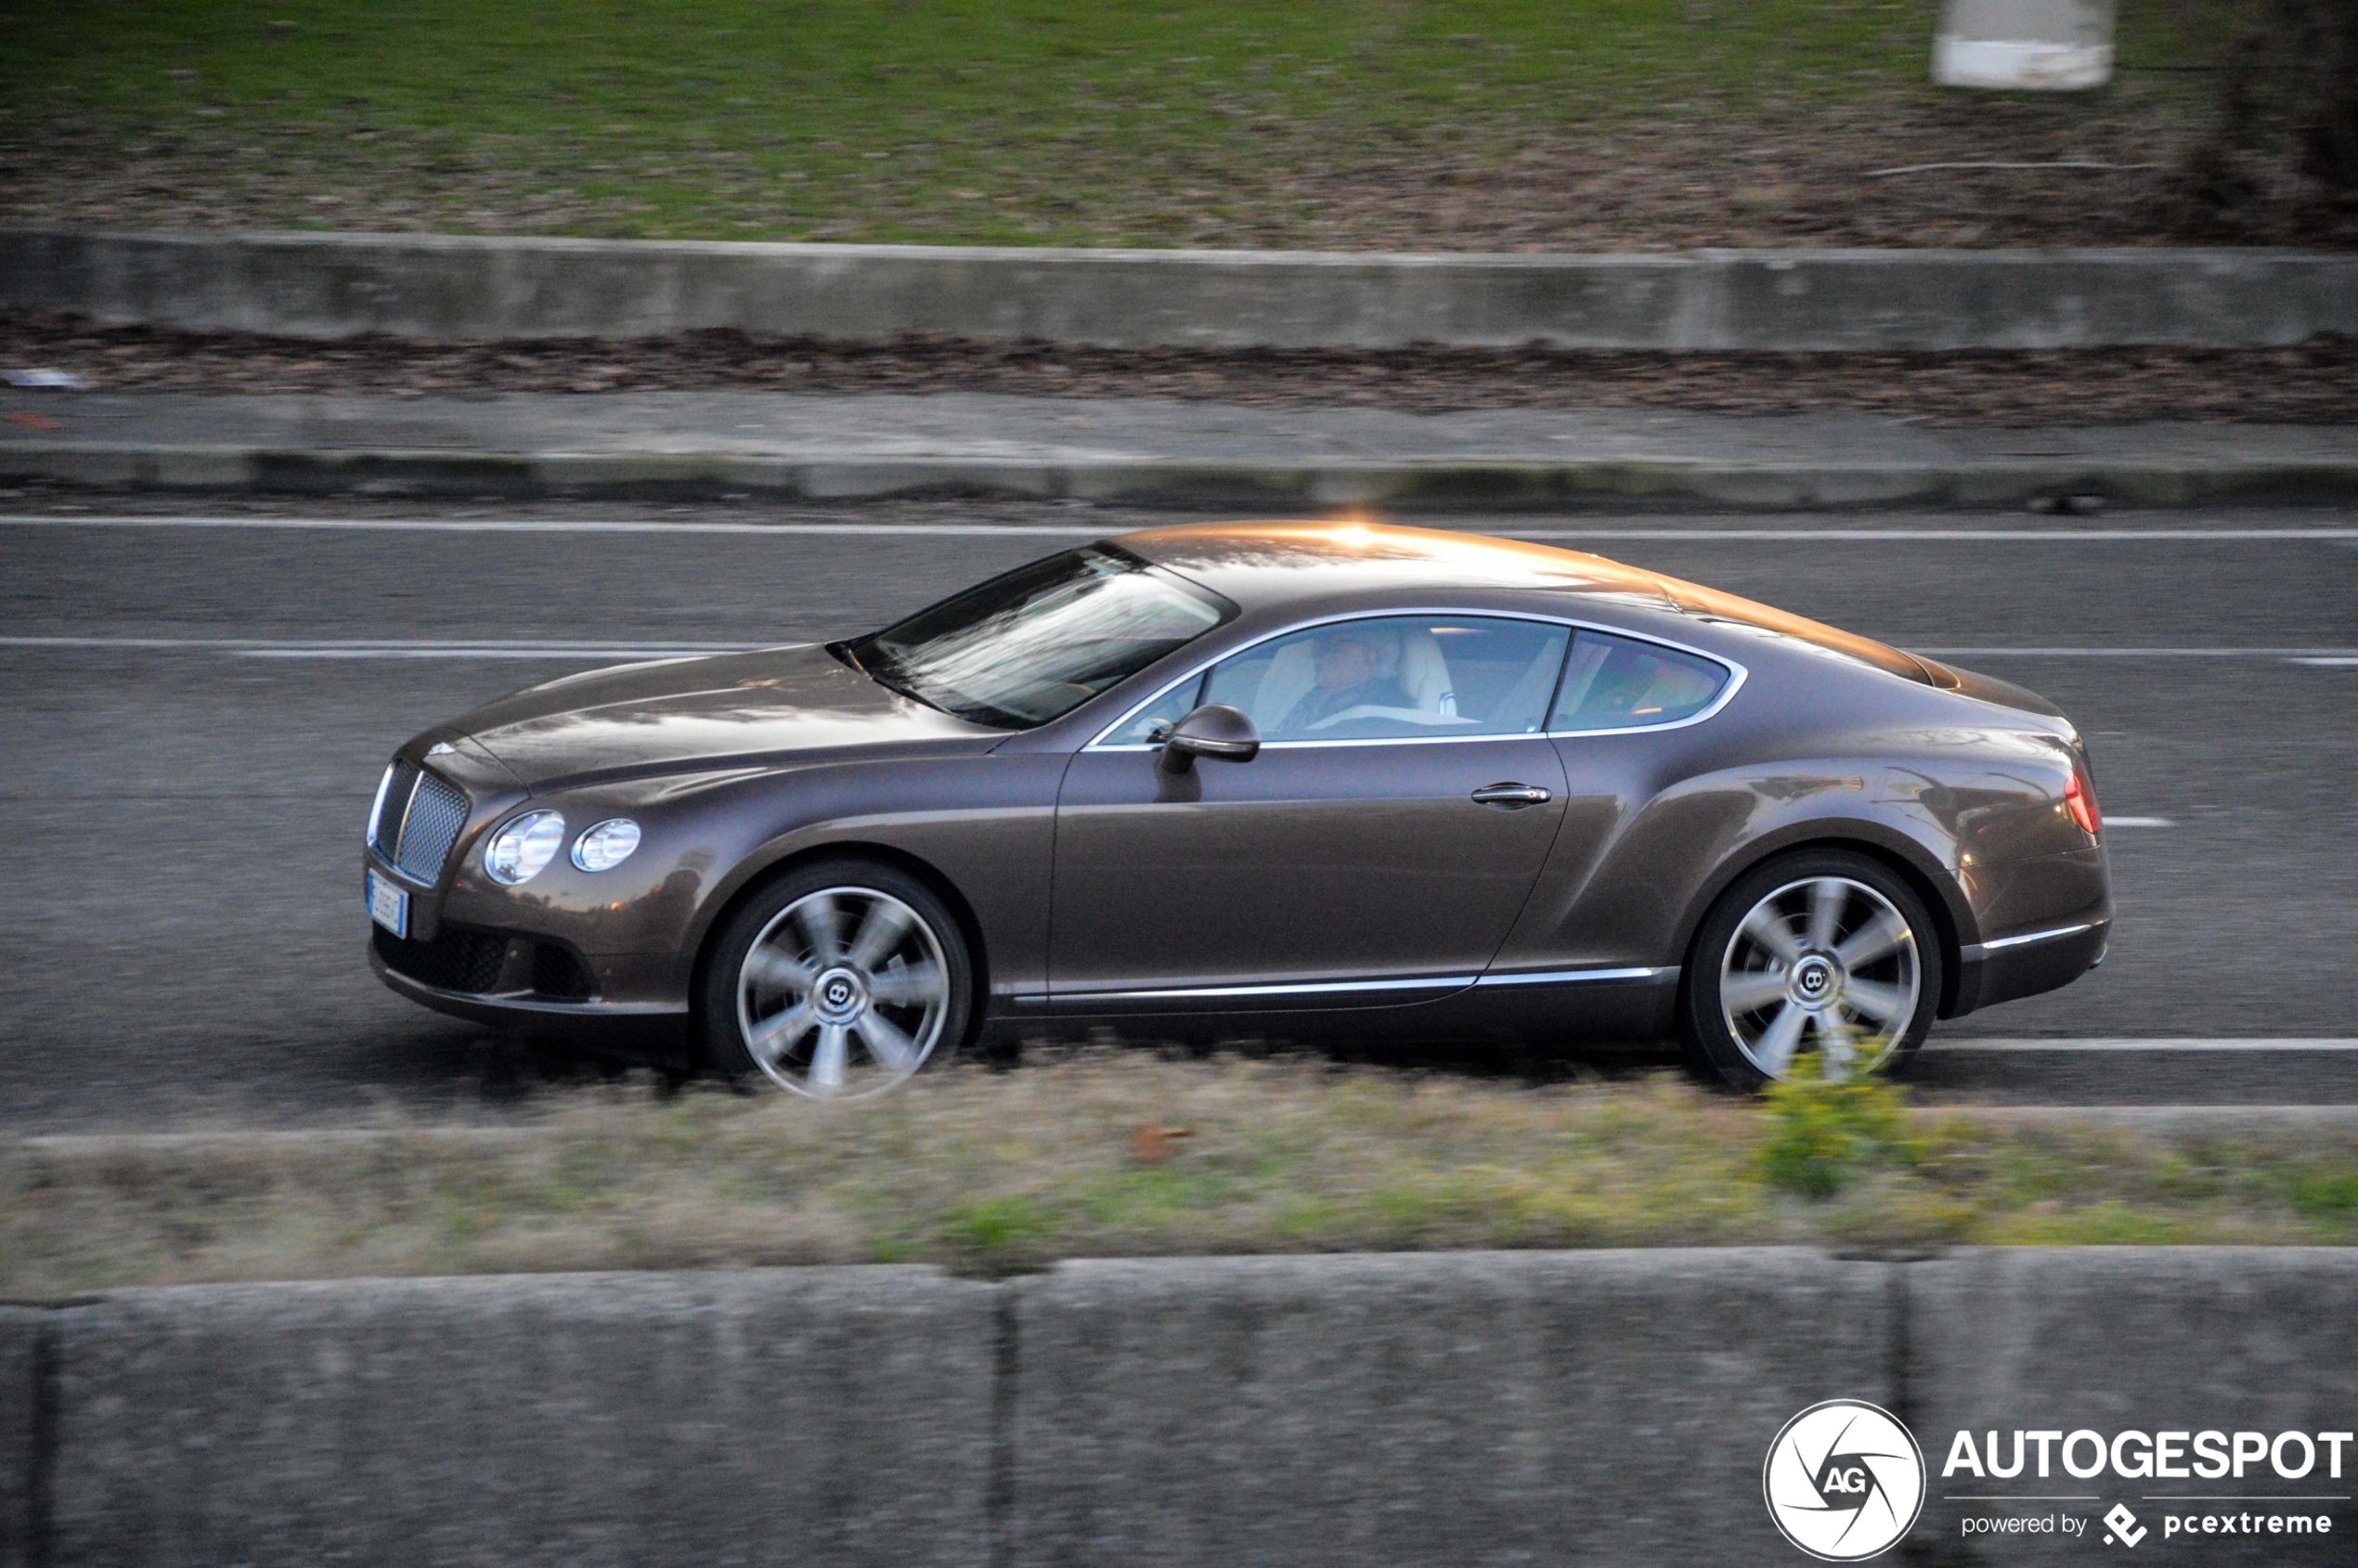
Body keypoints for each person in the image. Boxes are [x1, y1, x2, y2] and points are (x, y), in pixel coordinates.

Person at [1278, 625, 1414, 731]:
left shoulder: (1375, 714)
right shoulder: (1321, 694)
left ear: (1368, 660)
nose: (1315, 653)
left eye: (1331, 647)